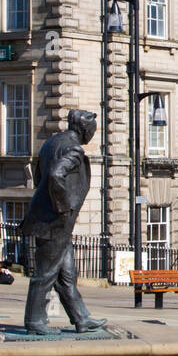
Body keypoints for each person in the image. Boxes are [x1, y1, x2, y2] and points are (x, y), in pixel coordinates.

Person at [20, 109, 107, 335]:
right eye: (92, 131)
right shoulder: (74, 149)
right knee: (45, 274)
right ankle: (35, 321)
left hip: (49, 219)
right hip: (55, 222)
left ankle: (81, 318)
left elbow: (39, 177)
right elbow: (55, 176)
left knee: (66, 276)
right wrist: (62, 207)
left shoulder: (52, 143)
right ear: (83, 129)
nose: (92, 135)